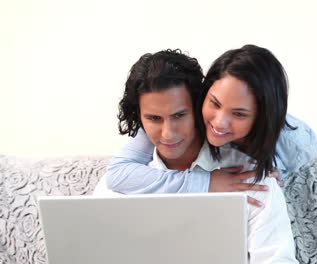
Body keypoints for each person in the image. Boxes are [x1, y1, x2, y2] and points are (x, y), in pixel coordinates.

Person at [94, 49, 298, 263]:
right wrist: (205, 183)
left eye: (179, 115)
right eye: (154, 118)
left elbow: (277, 259)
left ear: (198, 106)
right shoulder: (116, 185)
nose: (168, 133)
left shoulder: (251, 178)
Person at [105, 45, 317, 207]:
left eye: (239, 114)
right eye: (215, 103)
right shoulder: (175, 112)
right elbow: (118, 174)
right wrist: (205, 184)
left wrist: (275, 172)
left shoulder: (294, 144)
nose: (218, 122)